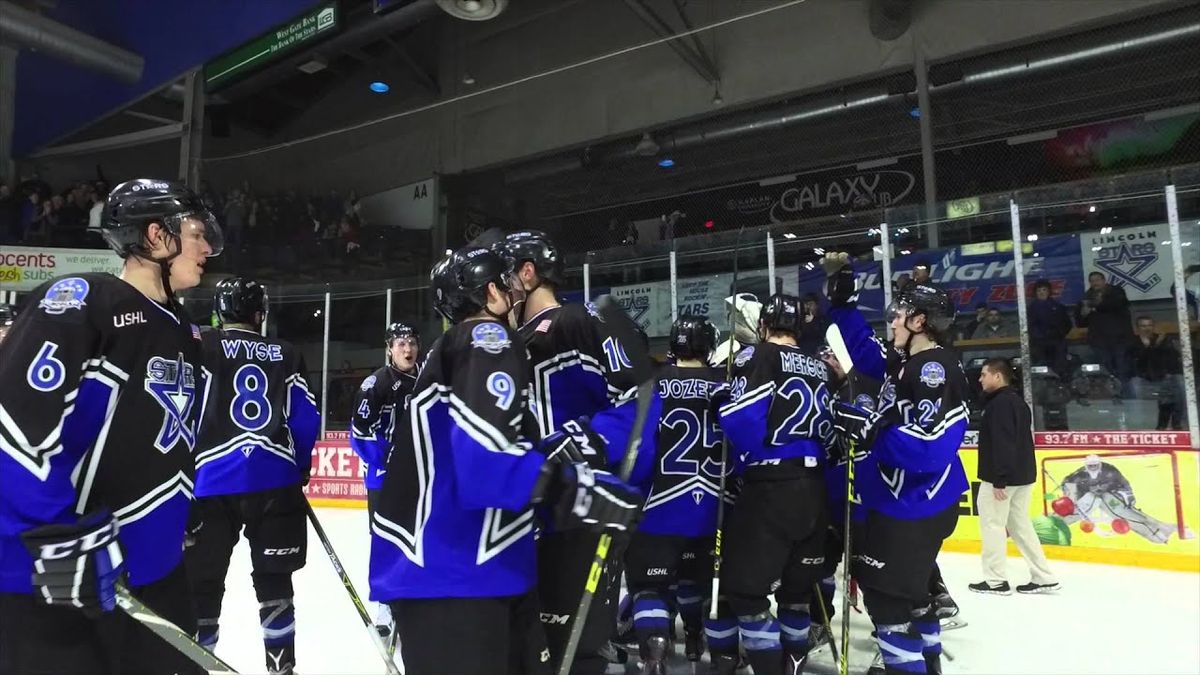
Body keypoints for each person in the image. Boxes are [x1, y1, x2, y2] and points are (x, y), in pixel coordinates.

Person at [368, 247, 643, 675]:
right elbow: (486, 467)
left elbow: (484, 452)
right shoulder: (487, 339)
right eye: (509, 284)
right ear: (492, 292)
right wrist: (584, 495)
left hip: (463, 574)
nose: (518, 294)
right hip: (457, 578)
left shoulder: (451, 352)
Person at [0, 178, 222, 674]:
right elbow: (14, 426)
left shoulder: (185, 331)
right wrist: (57, 537)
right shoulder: (83, 300)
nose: (207, 247)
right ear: (154, 236)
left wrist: (179, 507)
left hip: (153, 573)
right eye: (195, 233)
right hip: (58, 582)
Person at [494, 230, 652, 675]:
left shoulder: (578, 320)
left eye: (506, 276)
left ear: (528, 273)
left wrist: (588, 445)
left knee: (573, 651)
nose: (499, 289)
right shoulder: (501, 342)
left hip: (578, 517)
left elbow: (639, 403)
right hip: (525, 520)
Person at [823, 254, 969, 675]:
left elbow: (928, 446)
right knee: (915, 594)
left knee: (887, 599)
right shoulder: (909, 362)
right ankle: (929, 663)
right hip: (914, 500)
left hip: (915, 503)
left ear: (920, 322)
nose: (892, 321)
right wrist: (844, 292)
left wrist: (870, 429)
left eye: (900, 315)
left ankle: (906, 667)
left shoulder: (933, 369)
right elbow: (858, 352)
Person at [188, 277, 320, 675]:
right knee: (275, 583)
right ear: (260, 314)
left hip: (209, 483)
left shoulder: (202, 345)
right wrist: (298, 467)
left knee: (203, 587)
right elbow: (305, 418)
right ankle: (281, 669)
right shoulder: (287, 353)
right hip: (274, 483)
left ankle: (198, 664)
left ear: (219, 311)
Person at [707, 294, 835, 675]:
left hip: (772, 487)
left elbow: (744, 421)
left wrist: (723, 406)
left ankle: (769, 668)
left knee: (744, 590)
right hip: (814, 488)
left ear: (765, 325)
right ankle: (794, 662)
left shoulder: (762, 356)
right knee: (795, 593)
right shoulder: (818, 365)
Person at [624, 315, 725, 674]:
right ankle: (696, 635)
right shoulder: (724, 385)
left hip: (659, 506)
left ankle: (655, 651)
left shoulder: (652, 385)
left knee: (649, 586)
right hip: (712, 508)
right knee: (693, 579)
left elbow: (637, 449)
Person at [350, 321, 420, 635]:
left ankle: (415, 593)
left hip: (421, 475)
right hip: (385, 478)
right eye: (401, 343)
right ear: (389, 349)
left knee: (419, 537)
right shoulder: (375, 384)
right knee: (385, 540)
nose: (407, 349)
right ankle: (385, 603)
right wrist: (386, 461)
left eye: (412, 342)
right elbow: (360, 434)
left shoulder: (427, 379)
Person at [969, 358, 1058, 596]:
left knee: (993, 525)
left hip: (1003, 479)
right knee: (1020, 525)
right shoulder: (1017, 402)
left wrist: (1000, 478)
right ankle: (1043, 576)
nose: (980, 379)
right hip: (1022, 476)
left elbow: (1003, 443)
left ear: (997, 376)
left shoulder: (999, 405)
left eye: (984, 374)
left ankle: (995, 580)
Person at [1057, 454, 1190, 544]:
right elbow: (1067, 483)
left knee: (1129, 515)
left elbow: (1125, 485)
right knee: (1085, 503)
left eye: (1095, 465)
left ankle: (1159, 532)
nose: (1093, 467)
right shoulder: (1079, 474)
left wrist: (1129, 499)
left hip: (1110, 497)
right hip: (1089, 500)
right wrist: (1070, 497)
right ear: (1086, 465)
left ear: (1100, 464)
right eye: (1090, 465)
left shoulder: (1110, 470)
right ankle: (1055, 525)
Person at [1075, 272, 1134, 389]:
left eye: (1097, 280)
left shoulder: (1116, 292)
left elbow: (1115, 304)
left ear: (1104, 280)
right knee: (1106, 370)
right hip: (1099, 341)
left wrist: (1093, 306)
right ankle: (1111, 395)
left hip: (1119, 339)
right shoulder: (1085, 297)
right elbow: (1080, 322)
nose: (1095, 283)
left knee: (1122, 368)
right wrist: (1083, 314)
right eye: (1092, 280)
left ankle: (1126, 397)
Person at [1128, 316, 1185, 430]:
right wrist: (1148, 347)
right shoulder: (1132, 342)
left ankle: (1176, 423)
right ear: (1137, 328)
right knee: (1135, 386)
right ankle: (1159, 425)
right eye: (1143, 326)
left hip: (1164, 376)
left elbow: (1172, 358)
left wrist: (1158, 345)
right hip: (1144, 379)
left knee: (1179, 384)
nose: (1147, 328)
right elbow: (1136, 362)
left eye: (1149, 325)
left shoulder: (1162, 339)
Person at [1028, 280, 1072, 378]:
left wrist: (1059, 333)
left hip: (1057, 343)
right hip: (1039, 345)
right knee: (1042, 370)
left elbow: (1067, 324)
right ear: (1035, 293)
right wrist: (1039, 336)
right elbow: (1030, 326)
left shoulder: (1058, 307)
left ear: (1049, 292)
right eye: (1039, 290)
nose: (1042, 292)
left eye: (1044, 290)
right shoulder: (1030, 309)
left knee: (1060, 369)